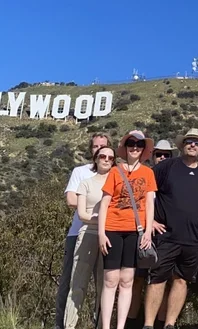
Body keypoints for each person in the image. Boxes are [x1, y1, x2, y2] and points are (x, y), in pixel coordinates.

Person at [143, 128, 198, 329]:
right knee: (158, 279)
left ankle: (170, 324)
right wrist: (151, 222)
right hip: (166, 236)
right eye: (189, 141)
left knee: (182, 281)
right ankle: (148, 325)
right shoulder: (166, 167)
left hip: (192, 240)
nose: (193, 145)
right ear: (182, 145)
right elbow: (147, 193)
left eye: (197, 143)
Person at [97, 130, 159, 329]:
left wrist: (148, 232)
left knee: (127, 280)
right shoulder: (115, 171)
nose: (135, 147)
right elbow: (105, 203)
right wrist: (101, 233)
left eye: (139, 144)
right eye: (131, 143)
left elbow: (150, 204)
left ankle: (120, 326)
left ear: (143, 149)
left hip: (136, 231)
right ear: (125, 146)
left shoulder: (148, 173)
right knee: (110, 279)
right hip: (112, 230)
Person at [57, 132, 110, 329]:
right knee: (70, 282)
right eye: (96, 147)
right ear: (92, 150)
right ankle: (61, 325)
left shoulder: (114, 174)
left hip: (107, 235)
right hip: (79, 233)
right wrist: (95, 212)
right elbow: (71, 200)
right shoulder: (81, 172)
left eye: (104, 148)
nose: (100, 152)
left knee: (104, 285)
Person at [128, 139, 177, 329]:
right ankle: (131, 322)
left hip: (166, 237)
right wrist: (151, 222)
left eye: (167, 155)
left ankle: (160, 322)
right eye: (159, 154)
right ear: (153, 156)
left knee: (162, 280)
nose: (163, 158)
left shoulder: (173, 179)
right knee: (137, 279)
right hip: (142, 234)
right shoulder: (145, 175)